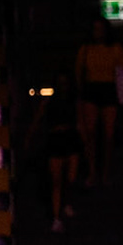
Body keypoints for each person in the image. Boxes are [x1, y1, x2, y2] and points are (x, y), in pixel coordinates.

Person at [76, 18, 123, 186]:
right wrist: (80, 95)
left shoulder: (115, 48)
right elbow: (78, 73)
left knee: (108, 134)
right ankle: (93, 171)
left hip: (108, 89)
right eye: (95, 28)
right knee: (91, 132)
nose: (98, 32)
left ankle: (105, 172)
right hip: (91, 89)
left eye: (101, 29)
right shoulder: (85, 49)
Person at [33, 75, 83, 232]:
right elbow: (37, 120)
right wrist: (29, 137)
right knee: (56, 182)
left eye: (65, 83)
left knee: (71, 178)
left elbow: (80, 123)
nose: (63, 86)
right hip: (55, 140)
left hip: (71, 139)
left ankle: (67, 203)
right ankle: (56, 218)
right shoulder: (48, 103)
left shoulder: (75, 103)